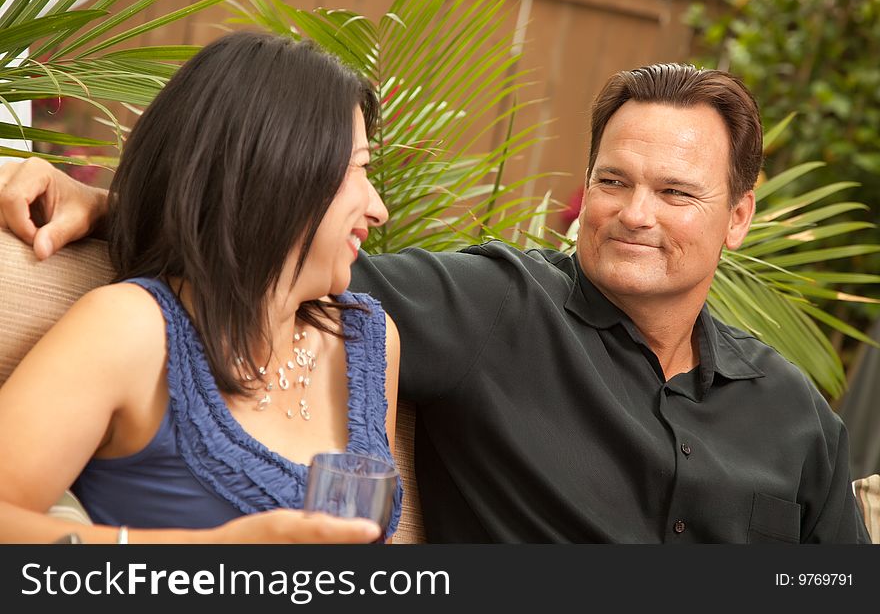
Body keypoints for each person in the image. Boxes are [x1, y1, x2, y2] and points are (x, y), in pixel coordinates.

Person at [0, 63, 869, 543]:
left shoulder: (794, 414)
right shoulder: (490, 308)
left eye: (676, 193)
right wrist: (105, 203)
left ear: (739, 219)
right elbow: (263, 247)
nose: (634, 213)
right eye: (612, 180)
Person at [0, 31, 401, 543]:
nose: (378, 210)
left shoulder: (368, 341)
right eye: (358, 169)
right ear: (277, 169)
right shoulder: (132, 330)